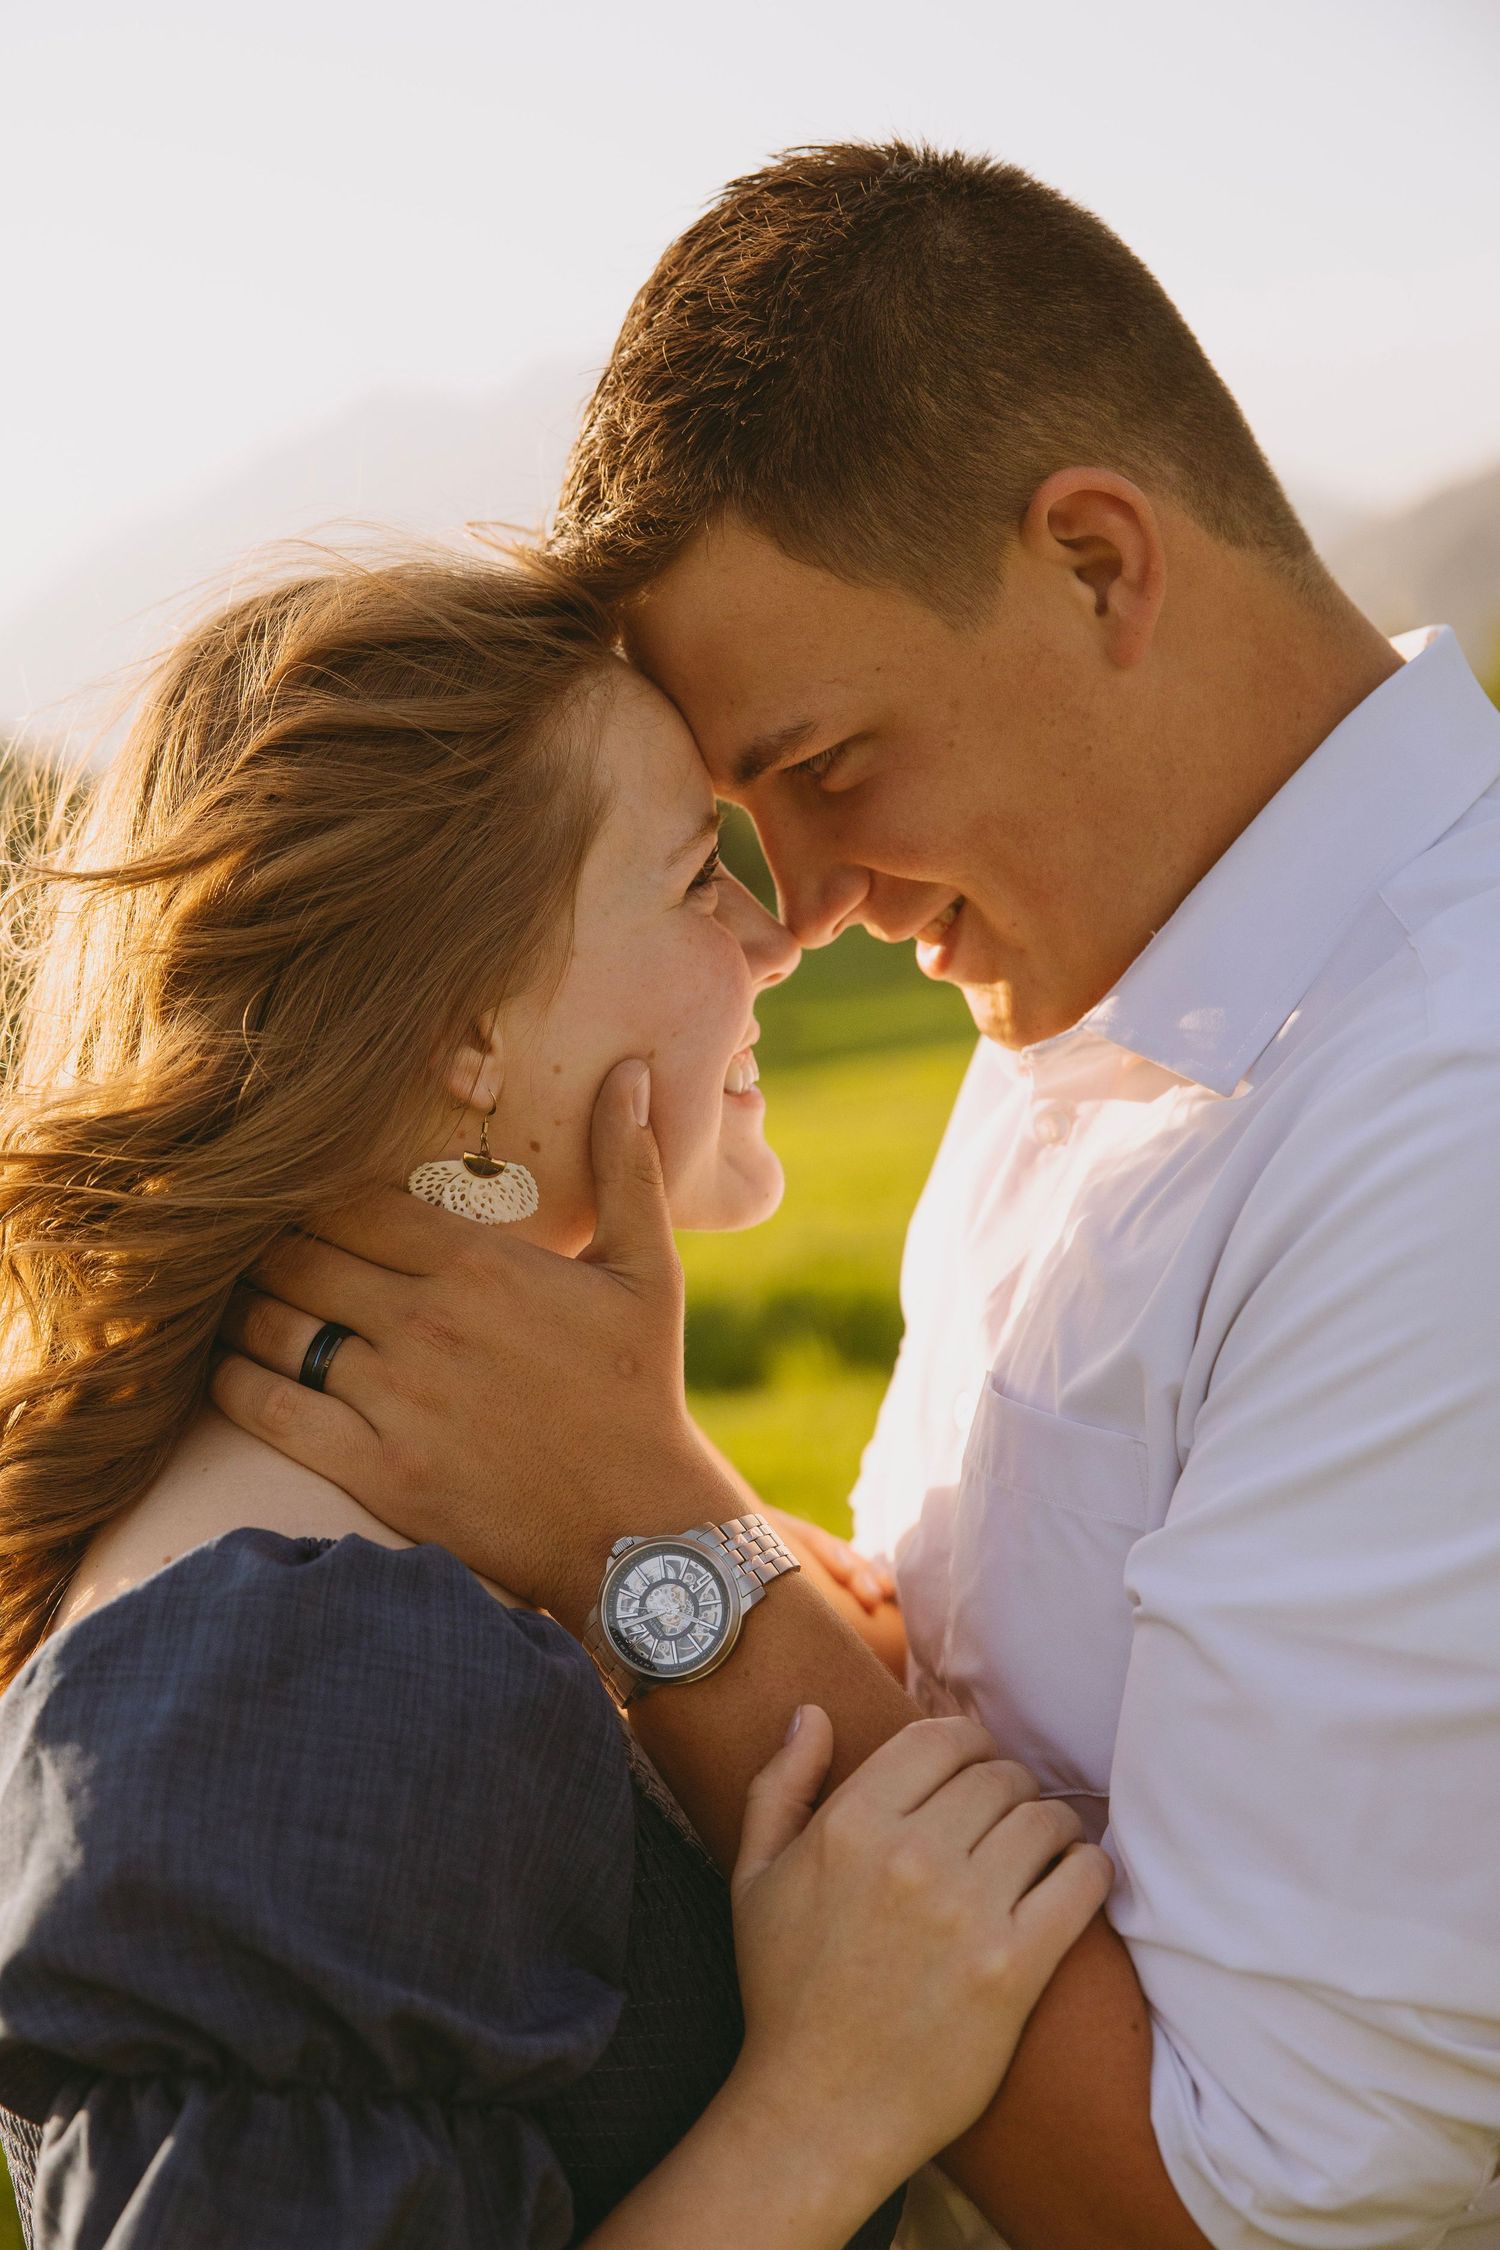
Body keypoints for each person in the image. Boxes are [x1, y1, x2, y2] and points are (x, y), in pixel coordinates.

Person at [220, 146, 1500, 2249]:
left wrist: (653, 1541)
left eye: (824, 765)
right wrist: (793, 1599)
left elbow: (1259, 2208)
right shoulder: (1093, 1001)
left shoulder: (1447, 1110)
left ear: (1097, 563)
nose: (801, 903)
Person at [0, 552, 1111, 2249]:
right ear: (467, 1029)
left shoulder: (383, 1572)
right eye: (689, 878)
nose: (777, 930)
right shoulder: (314, 1665)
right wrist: (831, 2101)